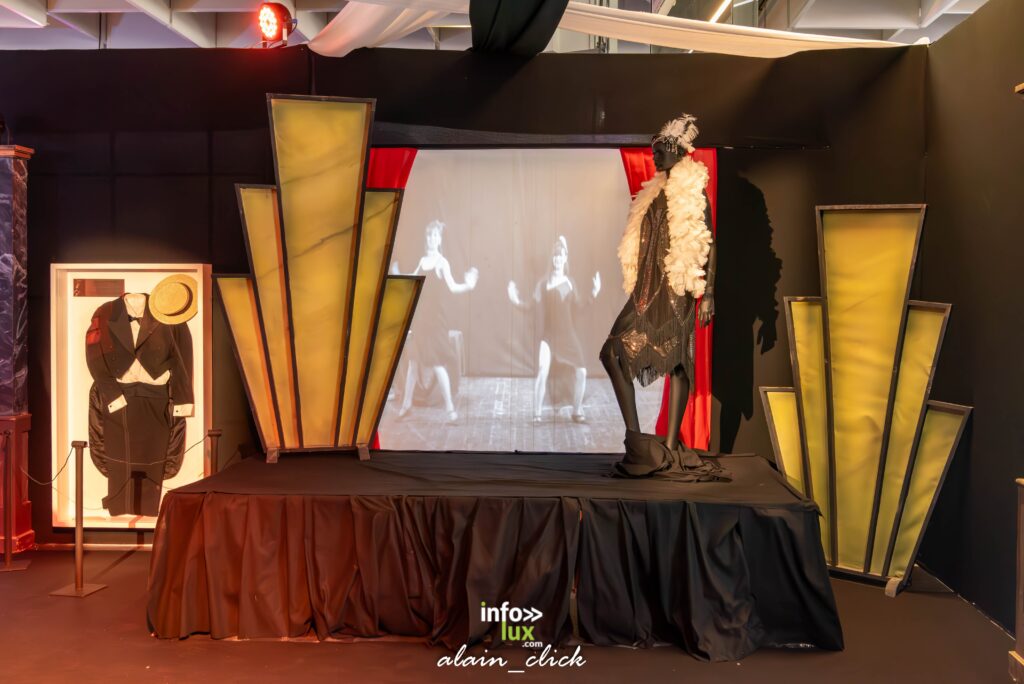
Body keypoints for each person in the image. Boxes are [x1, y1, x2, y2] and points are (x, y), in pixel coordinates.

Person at [600, 114, 725, 481]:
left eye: (658, 152)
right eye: (653, 152)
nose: (653, 157)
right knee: (612, 352)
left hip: (678, 286)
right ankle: (637, 441)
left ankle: (669, 445)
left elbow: (710, 243)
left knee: (678, 360)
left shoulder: (693, 191)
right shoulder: (652, 193)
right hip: (648, 287)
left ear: (675, 150)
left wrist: (709, 293)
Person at [508, 236, 600, 423]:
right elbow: (530, 306)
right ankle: (537, 414)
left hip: (568, 336)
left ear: (566, 258)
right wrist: (515, 300)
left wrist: (594, 293)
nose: (558, 259)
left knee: (582, 372)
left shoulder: (570, 283)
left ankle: (577, 411)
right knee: (543, 370)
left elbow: (579, 307)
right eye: (555, 256)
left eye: (561, 255)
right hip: (549, 337)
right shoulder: (543, 284)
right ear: (552, 259)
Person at [394, 219, 478, 423]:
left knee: (437, 364)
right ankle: (406, 406)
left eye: (435, 235)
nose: (431, 239)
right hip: (420, 320)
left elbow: (453, 287)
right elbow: (412, 280)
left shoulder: (442, 263)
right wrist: (397, 274)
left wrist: (468, 285)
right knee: (414, 363)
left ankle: (450, 409)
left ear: (439, 240)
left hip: (435, 322)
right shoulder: (423, 261)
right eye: (429, 235)